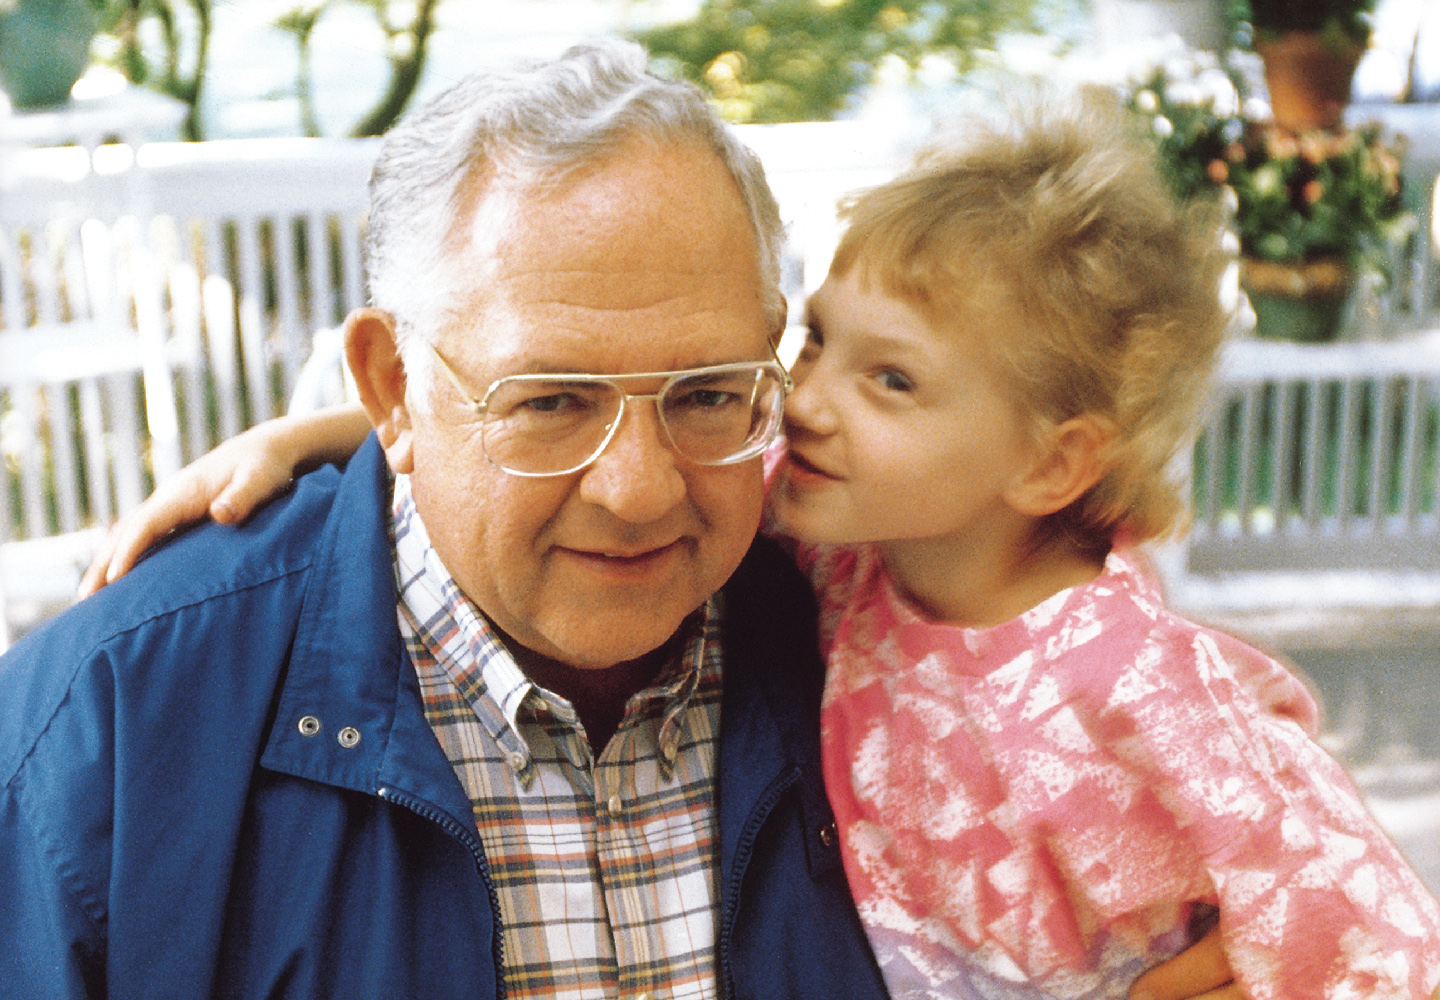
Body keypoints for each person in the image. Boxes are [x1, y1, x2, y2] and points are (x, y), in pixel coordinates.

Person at [79, 91, 1440, 1000]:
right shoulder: (851, 558)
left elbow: (1347, 908)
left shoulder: (1136, 673)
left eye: (893, 380)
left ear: (1050, 460)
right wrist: (340, 429)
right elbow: (529, 411)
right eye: (817, 346)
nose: (812, 401)